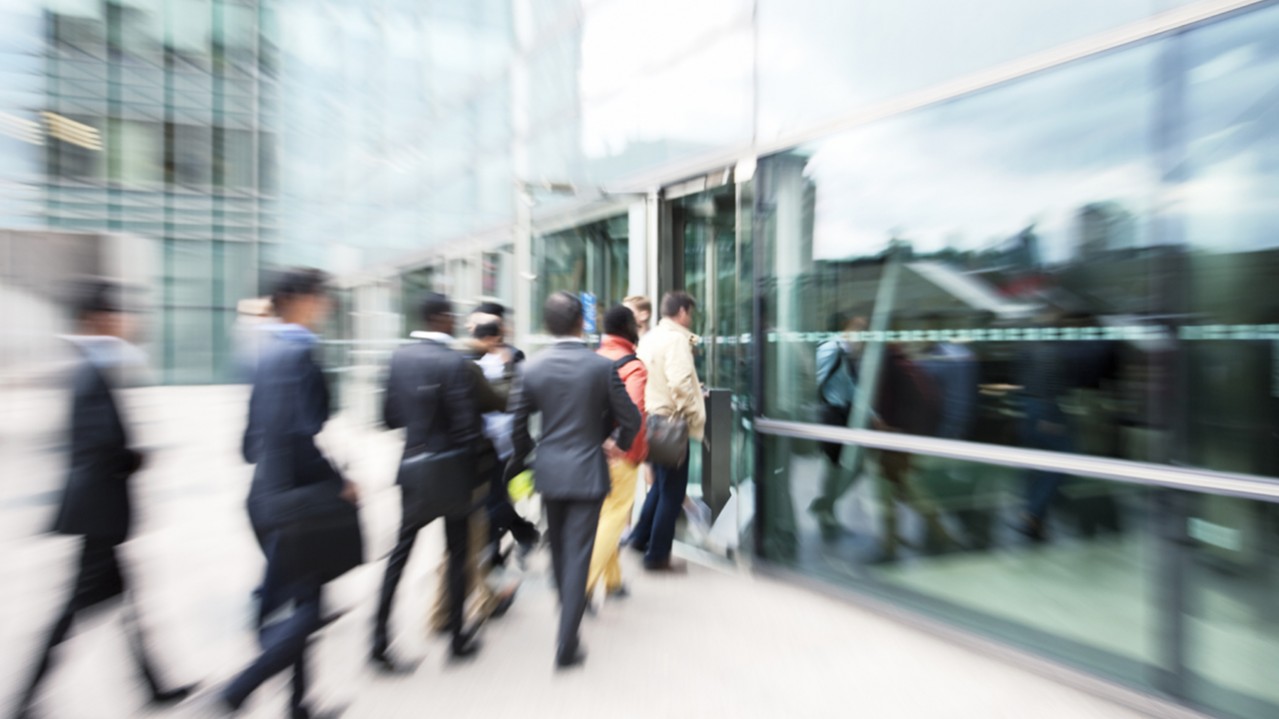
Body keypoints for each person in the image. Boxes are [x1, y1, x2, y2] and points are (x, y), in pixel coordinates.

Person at [13, 280, 197, 719]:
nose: (126, 322)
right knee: (75, 610)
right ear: (98, 319)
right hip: (98, 512)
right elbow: (100, 445)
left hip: (99, 511)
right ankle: (24, 700)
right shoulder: (90, 371)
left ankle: (152, 685)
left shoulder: (91, 367)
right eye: (118, 314)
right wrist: (135, 457)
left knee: (128, 604)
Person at [206, 268, 358, 718]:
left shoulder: (264, 353)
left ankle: (298, 705)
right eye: (321, 297)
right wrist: (339, 482)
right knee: (307, 610)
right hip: (297, 504)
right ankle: (236, 692)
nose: (325, 306)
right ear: (299, 300)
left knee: (303, 600)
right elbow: (304, 434)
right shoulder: (299, 355)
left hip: (263, 497)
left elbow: (250, 444)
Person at [506, 292, 641, 669]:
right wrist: (618, 445)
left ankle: (567, 627)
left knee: (563, 551)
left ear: (548, 325)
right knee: (578, 553)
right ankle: (567, 643)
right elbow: (631, 418)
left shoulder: (530, 368)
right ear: (580, 323)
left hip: (549, 472)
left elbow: (516, 429)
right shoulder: (600, 368)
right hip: (588, 470)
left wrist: (530, 456)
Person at [372, 293, 484, 672]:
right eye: (451, 316)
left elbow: (387, 418)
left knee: (398, 556)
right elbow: (467, 426)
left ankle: (378, 643)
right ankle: (456, 638)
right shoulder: (453, 362)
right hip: (450, 469)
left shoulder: (398, 357)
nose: (454, 321)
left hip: (412, 467)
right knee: (456, 554)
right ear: (440, 318)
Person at [630, 291, 705, 572]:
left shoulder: (650, 338)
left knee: (660, 486)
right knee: (673, 491)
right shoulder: (676, 340)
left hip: (650, 419)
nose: (691, 319)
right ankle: (657, 556)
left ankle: (640, 539)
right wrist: (694, 415)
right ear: (683, 312)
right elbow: (680, 383)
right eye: (691, 313)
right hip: (670, 423)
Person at [586, 304, 648, 606]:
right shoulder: (634, 367)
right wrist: (621, 444)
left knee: (605, 514)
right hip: (622, 455)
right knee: (614, 517)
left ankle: (613, 582)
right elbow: (634, 412)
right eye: (635, 323)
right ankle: (582, 584)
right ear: (627, 327)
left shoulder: (593, 359)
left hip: (593, 451)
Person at [808, 312, 868, 538]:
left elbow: (853, 387)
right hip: (832, 414)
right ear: (846, 327)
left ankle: (826, 504)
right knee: (834, 467)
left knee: (851, 466)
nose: (861, 335)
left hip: (845, 414)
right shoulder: (830, 349)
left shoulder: (850, 354)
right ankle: (827, 510)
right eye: (858, 327)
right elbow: (815, 379)